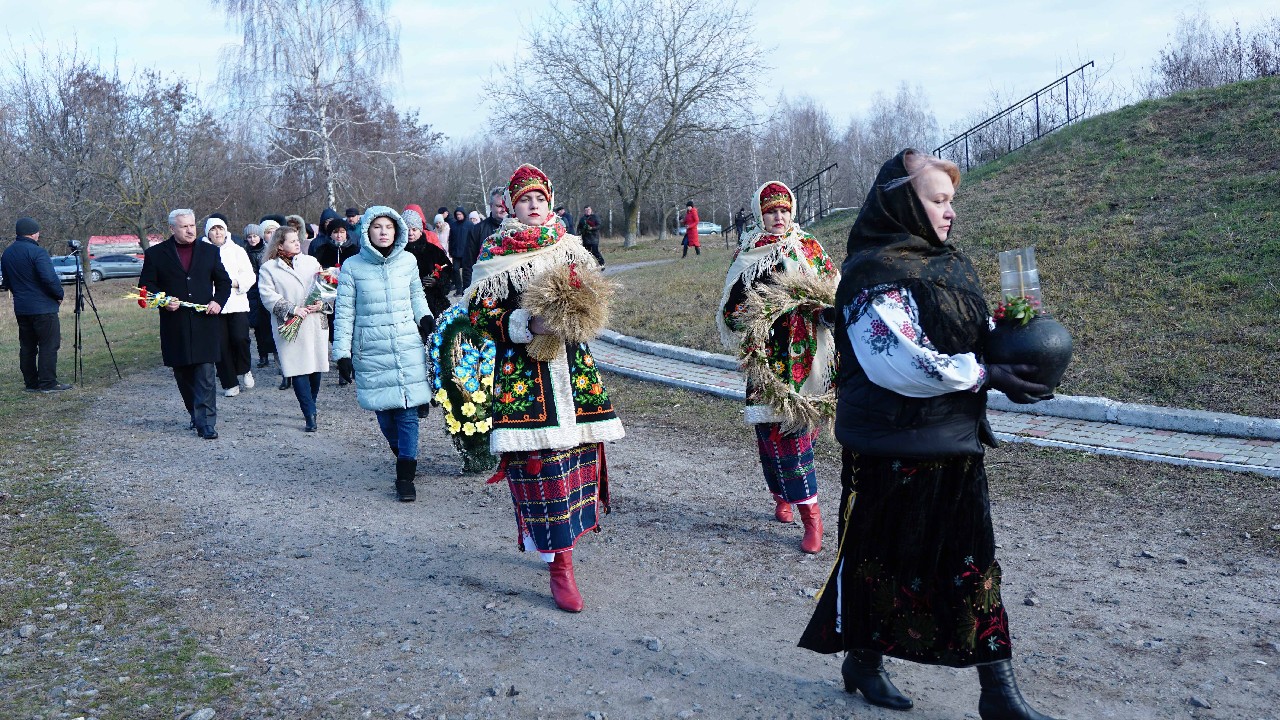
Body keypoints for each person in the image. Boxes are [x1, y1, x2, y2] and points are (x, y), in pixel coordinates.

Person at [798, 149, 1059, 720]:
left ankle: (999, 694)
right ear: (902, 203)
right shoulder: (873, 274)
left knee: (971, 561)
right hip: (889, 446)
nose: (949, 213)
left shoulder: (949, 265)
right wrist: (985, 373)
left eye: (951, 201)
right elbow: (902, 360)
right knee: (877, 557)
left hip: (952, 442)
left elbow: (963, 333)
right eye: (937, 200)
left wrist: (1009, 333)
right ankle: (863, 663)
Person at [464, 164, 624, 613]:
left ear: (550, 201)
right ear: (510, 205)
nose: (533, 206)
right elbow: (478, 315)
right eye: (524, 199)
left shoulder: (570, 246)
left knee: (574, 461)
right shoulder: (496, 250)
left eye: (539, 198)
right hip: (525, 376)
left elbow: (593, 298)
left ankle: (563, 551)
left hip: (571, 370)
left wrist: (579, 316)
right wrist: (524, 324)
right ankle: (559, 565)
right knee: (541, 466)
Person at [716, 182, 838, 554]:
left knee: (800, 434)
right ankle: (795, 503)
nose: (779, 217)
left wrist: (829, 311)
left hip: (811, 355)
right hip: (769, 360)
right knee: (773, 435)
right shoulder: (750, 254)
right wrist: (759, 316)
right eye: (771, 211)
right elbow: (732, 310)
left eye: (784, 210)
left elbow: (834, 287)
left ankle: (802, 504)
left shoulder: (810, 247)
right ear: (759, 214)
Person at [331, 206, 434, 502]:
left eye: (389, 226)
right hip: (372, 350)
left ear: (397, 229)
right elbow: (344, 312)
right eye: (377, 227)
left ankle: (405, 476)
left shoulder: (408, 261)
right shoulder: (352, 267)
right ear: (367, 231)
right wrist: (342, 354)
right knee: (386, 417)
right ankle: (402, 451)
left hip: (406, 346)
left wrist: (424, 318)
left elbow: (417, 294)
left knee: (407, 413)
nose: (384, 231)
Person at [138, 209, 231, 439]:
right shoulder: (156, 254)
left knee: (206, 373)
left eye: (192, 226)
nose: (190, 230)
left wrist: (218, 301)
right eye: (184, 227)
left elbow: (224, 282)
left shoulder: (209, 251)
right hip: (175, 324)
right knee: (184, 374)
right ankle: (195, 413)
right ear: (172, 229)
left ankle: (207, 423)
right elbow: (146, 286)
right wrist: (162, 300)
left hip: (205, 322)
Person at [258, 226, 331, 432]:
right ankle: (309, 414)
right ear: (280, 245)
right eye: (291, 241)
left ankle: (312, 404)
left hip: (315, 321)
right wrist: (292, 309)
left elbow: (325, 286)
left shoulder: (311, 262)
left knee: (315, 368)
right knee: (298, 369)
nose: (297, 243)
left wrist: (322, 304)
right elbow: (267, 295)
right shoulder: (269, 268)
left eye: (297, 239)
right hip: (290, 323)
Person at [1, 217, 70, 392]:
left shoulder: (7, 254)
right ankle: (48, 383)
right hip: (43, 307)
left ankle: (31, 383)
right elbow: (48, 278)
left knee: (27, 346)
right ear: (33, 233)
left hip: (22, 308)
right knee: (48, 344)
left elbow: (6, 282)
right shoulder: (38, 252)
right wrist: (59, 295)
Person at [204, 217, 256, 397]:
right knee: (221, 345)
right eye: (213, 229)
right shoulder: (202, 251)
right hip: (213, 305)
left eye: (220, 228)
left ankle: (244, 368)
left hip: (236, 301)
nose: (218, 232)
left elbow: (250, 276)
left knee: (240, 338)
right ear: (207, 233)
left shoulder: (237, 250)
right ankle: (229, 382)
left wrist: (234, 283)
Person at [402, 206, 453, 318]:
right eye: (407, 229)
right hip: (406, 306)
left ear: (420, 231)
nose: (410, 233)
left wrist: (437, 281)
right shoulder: (398, 253)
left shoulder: (433, 250)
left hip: (434, 304)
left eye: (414, 229)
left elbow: (448, 270)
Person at [247, 222, 279, 370]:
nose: (253, 239)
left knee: (272, 326)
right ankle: (263, 355)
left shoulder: (268, 251)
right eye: (249, 237)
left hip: (268, 290)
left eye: (255, 236)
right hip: (253, 292)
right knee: (258, 327)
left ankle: (278, 359)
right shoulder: (245, 252)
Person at [462, 187, 507, 289]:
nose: (503, 209)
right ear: (491, 206)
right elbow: (468, 264)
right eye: (499, 206)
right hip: (486, 286)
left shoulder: (520, 227)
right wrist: (467, 293)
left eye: (506, 205)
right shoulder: (477, 230)